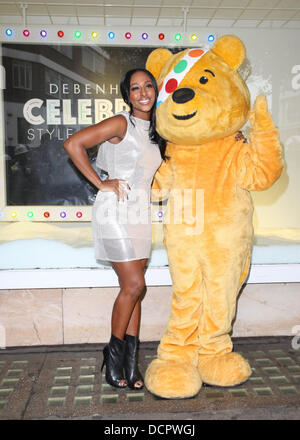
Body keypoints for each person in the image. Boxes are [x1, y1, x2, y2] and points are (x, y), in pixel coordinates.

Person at [63, 69, 167, 390]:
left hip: (140, 215)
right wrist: (100, 183)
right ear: (127, 95)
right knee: (134, 285)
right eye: (135, 88)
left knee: (137, 289)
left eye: (148, 86)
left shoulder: (158, 130)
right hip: (114, 212)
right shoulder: (121, 122)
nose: (143, 92)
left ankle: (130, 366)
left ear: (155, 90)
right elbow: (73, 144)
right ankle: (112, 353)